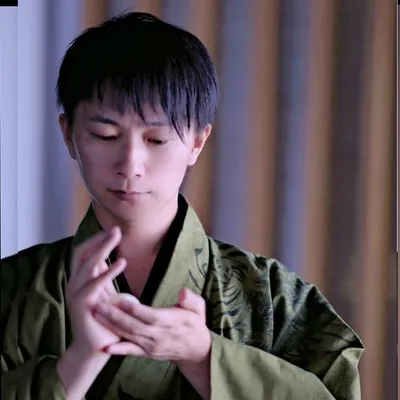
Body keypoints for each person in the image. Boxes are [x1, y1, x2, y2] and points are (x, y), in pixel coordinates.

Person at [0, 11, 364, 400]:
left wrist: (204, 356)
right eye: (105, 135)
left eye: (156, 140)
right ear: (68, 134)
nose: (131, 165)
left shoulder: (272, 298)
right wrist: (79, 362)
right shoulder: (14, 289)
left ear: (197, 142)